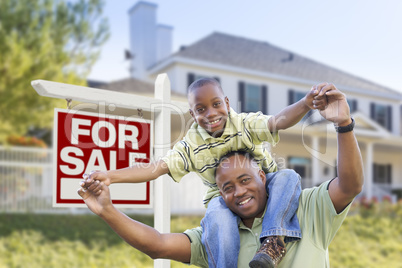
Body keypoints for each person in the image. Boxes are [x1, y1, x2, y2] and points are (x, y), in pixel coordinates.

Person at [78, 83, 364, 267]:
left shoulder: (306, 210)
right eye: (200, 109)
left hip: (276, 188)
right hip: (218, 204)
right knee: (215, 213)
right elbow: (155, 170)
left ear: (227, 102)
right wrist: (110, 180)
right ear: (192, 114)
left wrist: (308, 105)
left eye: (216, 104)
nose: (211, 113)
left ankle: (274, 239)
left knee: (288, 176)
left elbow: (279, 121)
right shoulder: (192, 147)